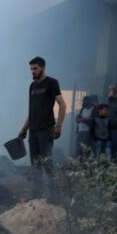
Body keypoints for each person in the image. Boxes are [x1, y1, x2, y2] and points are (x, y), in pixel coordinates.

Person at [17, 56, 67, 199]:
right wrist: (23, 129)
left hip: (46, 130)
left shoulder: (51, 83)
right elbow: (31, 112)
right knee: (35, 164)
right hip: (33, 131)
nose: (33, 71)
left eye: (35, 68)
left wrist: (58, 125)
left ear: (43, 68)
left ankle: (54, 196)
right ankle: (36, 195)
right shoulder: (32, 86)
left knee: (47, 163)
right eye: (31, 69)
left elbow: (62, 104)